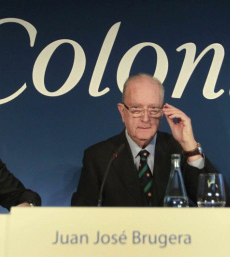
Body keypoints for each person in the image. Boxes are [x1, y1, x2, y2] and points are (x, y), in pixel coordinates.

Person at [71, 73, 217, 206]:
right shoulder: (99, 157)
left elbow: (215, 204)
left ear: (162, 112)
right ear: (122, 112)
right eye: (136, 109)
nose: (146, 118)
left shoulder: (178, 149)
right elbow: (82, 217)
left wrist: (190, 146)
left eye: (153, 109)